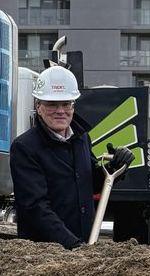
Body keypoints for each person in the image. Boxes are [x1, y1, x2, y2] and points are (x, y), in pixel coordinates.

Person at [10, 65, 134, 248]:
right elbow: (35, 208)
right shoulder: (25, 147)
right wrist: (72, 244)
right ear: (39, 106)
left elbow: (89, 182)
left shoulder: (81, 138)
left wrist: (115, 167)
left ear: (73, 106)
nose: (60, 110)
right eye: (52, 104)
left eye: (66, 103)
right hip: (44, 253)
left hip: (83, 245)